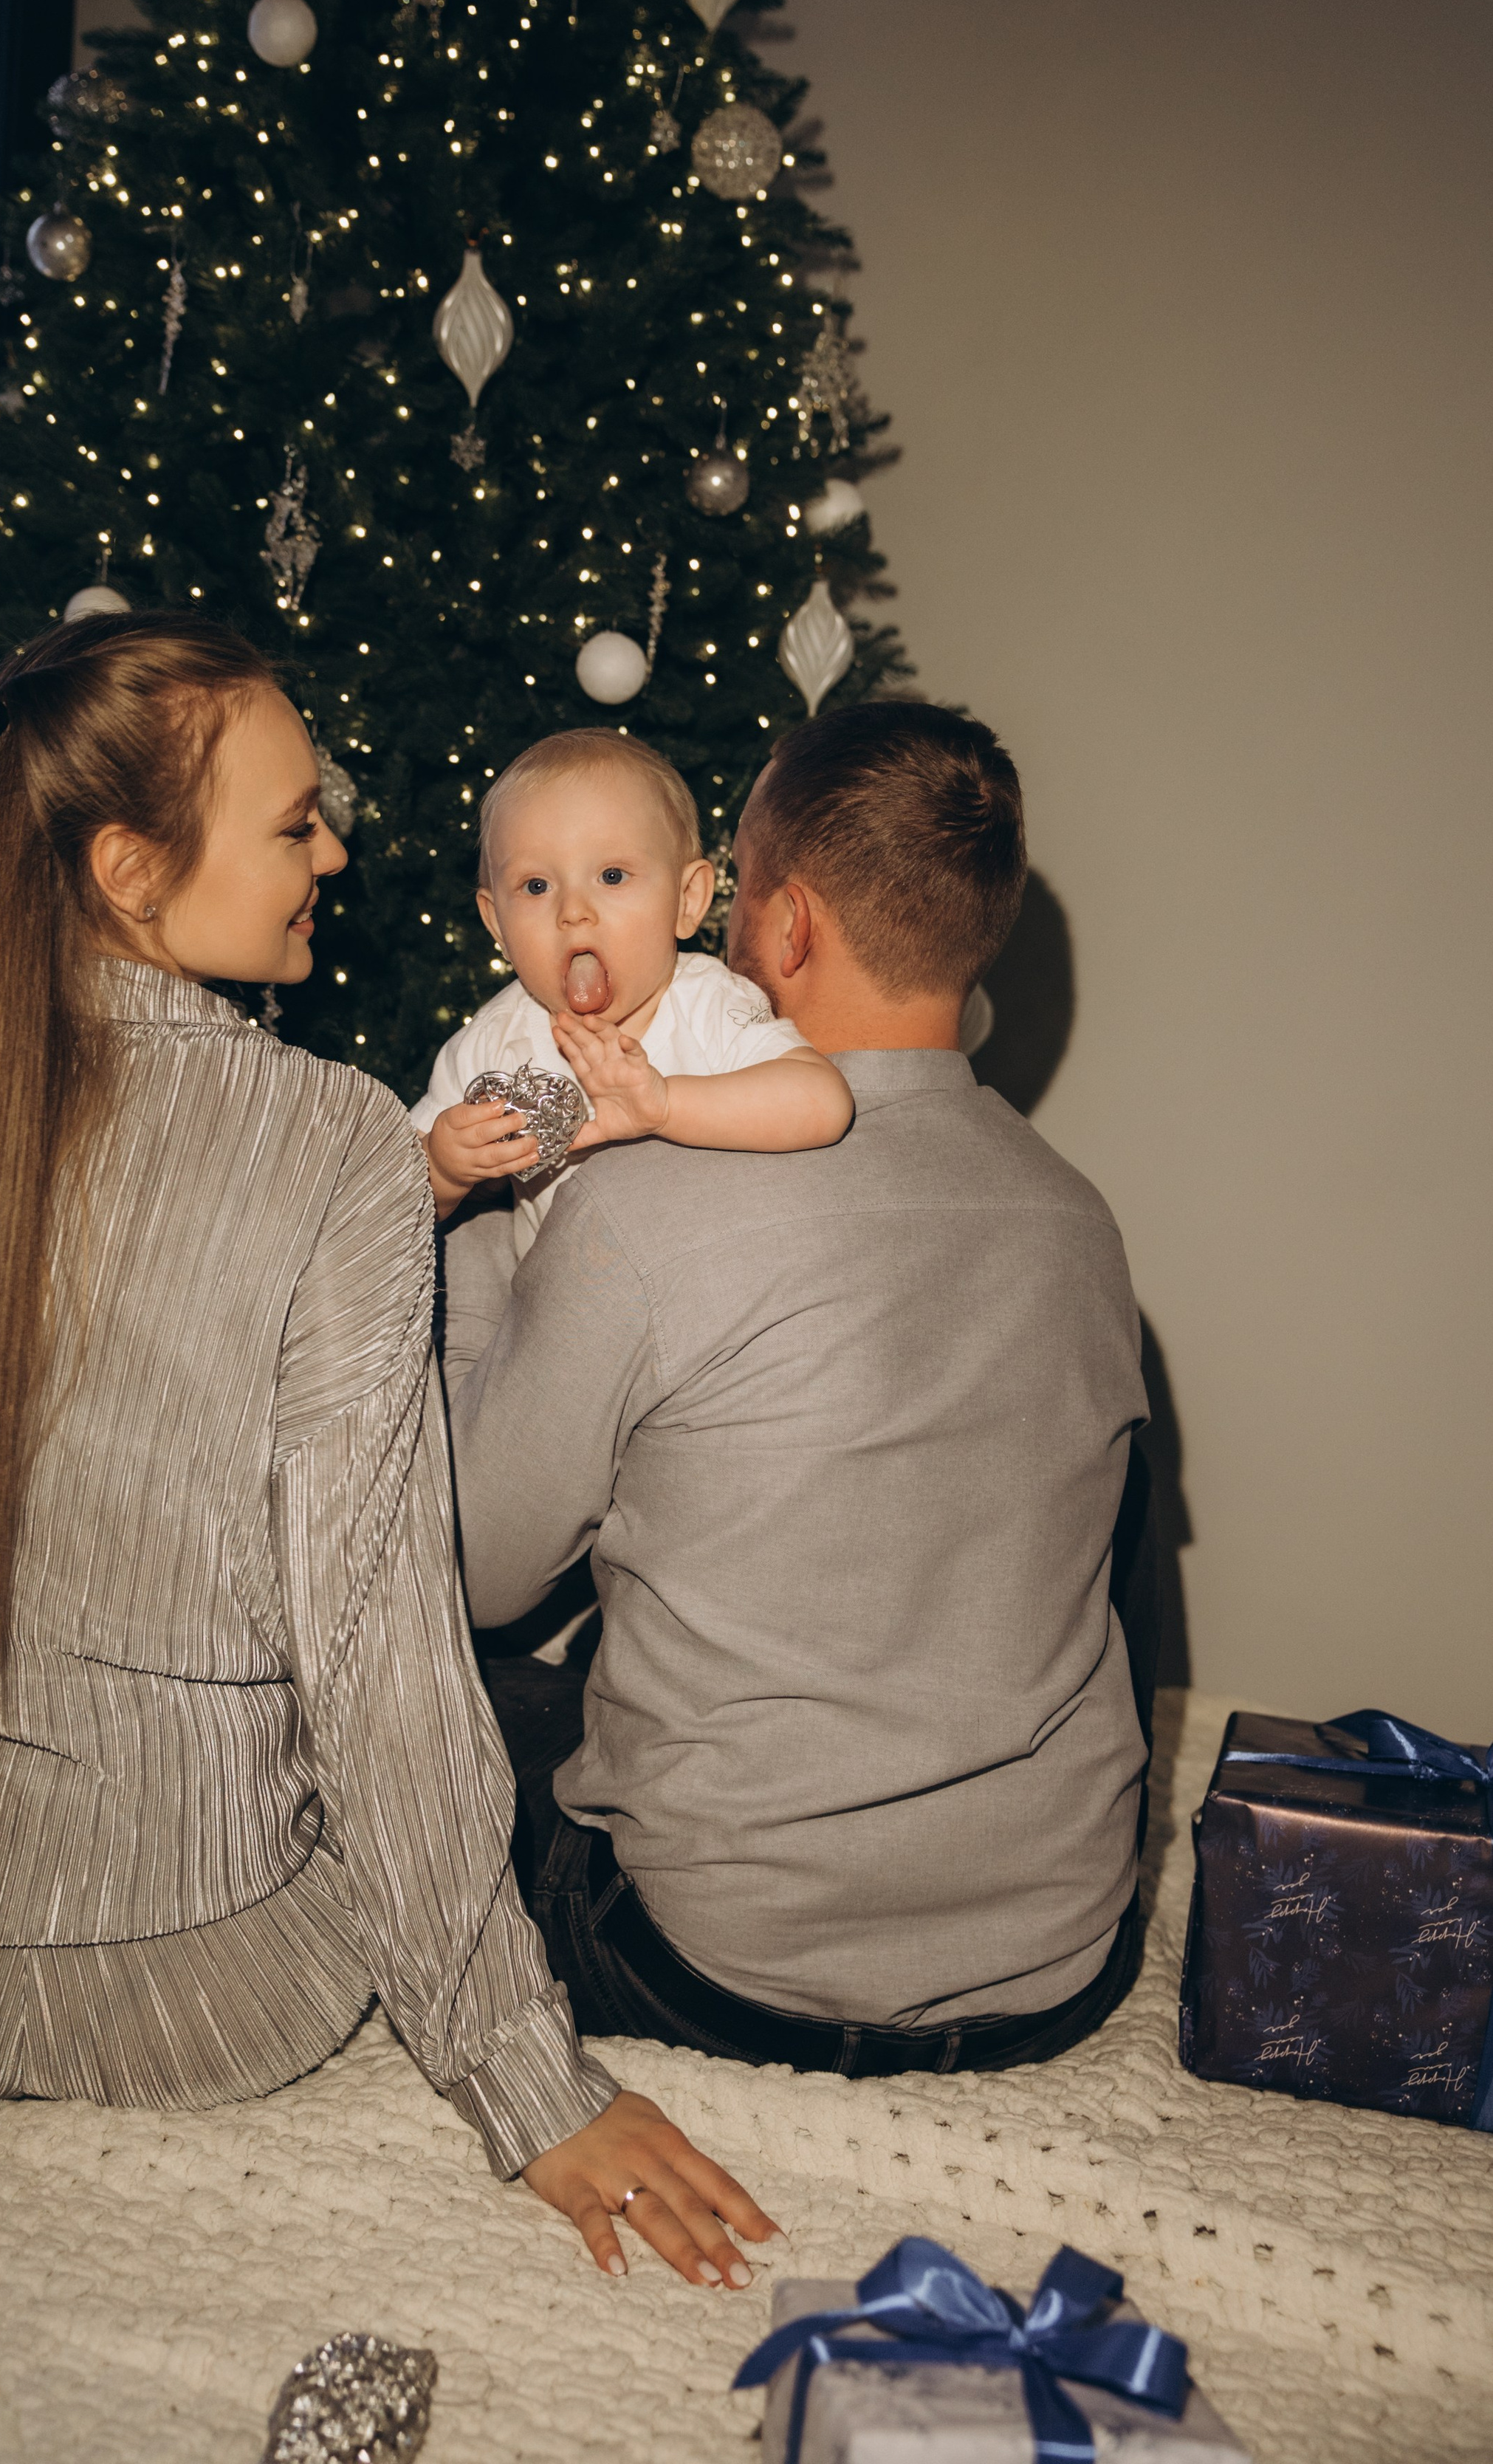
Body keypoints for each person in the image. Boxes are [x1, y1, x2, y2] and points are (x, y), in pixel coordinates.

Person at [0, 611, 774, 2288]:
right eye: (292, 819)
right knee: (520, 1736)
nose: (335, 844)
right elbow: (373, 1640)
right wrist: (527, 2084)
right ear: (126, 865)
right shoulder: (331, 1132)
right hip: (191, 1993)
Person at [446, 700, 1151, 2076]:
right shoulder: (1081, 1221)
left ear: (787, 931)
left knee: (429, 1734)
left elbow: (478, 1575)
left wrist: (480, 1213)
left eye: (732, 902)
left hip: (724, 1968)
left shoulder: (640, 1206)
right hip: (1063, 1958)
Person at [413, 730, 853, 1236]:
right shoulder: (492, 1042)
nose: (573, 912)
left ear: (687, 900)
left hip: (722, 1292)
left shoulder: (709, 1002)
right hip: (574, 1305)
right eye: (537, 886)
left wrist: (664, 1105)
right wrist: (443, 1169)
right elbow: (387, 1204)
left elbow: (824, 1104)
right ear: (498, 927)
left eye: (613, 876)